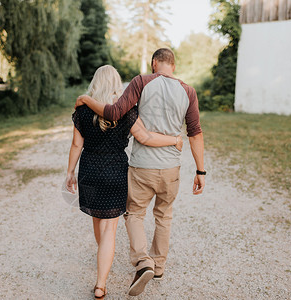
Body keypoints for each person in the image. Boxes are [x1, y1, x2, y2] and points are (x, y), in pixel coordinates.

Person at [75, 48, 205, 296]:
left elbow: (113, 112)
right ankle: (158, 267)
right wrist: (201, 170)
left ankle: (142, 262)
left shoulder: (142, 82)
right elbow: (195, 132)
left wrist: (85, 99)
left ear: (154, 63)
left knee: (134, 213)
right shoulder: (188, 91)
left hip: (143, 166)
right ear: (173, 66)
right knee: (164, 216)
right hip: (171, 168)